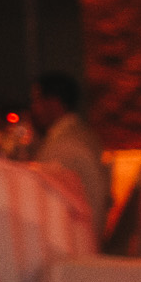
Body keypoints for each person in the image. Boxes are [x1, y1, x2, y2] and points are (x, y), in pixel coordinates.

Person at [30, 71, 110, 245]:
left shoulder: (62, 147)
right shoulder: (84, 133)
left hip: (76, 244)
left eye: (37, 101)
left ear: (53, 103)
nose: (33, 109)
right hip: (91, 237)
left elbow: (44, 206)